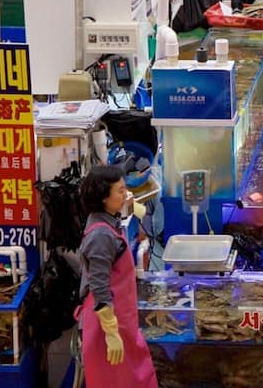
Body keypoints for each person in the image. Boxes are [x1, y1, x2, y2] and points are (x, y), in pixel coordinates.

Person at [74, 165, 160, 386]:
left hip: (122, 322)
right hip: (106, 328)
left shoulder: (109, 222)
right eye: (121, 191)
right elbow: (99, 285)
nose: (126, 195)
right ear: (104, 197)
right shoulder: (101, 235)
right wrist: (111, 333)